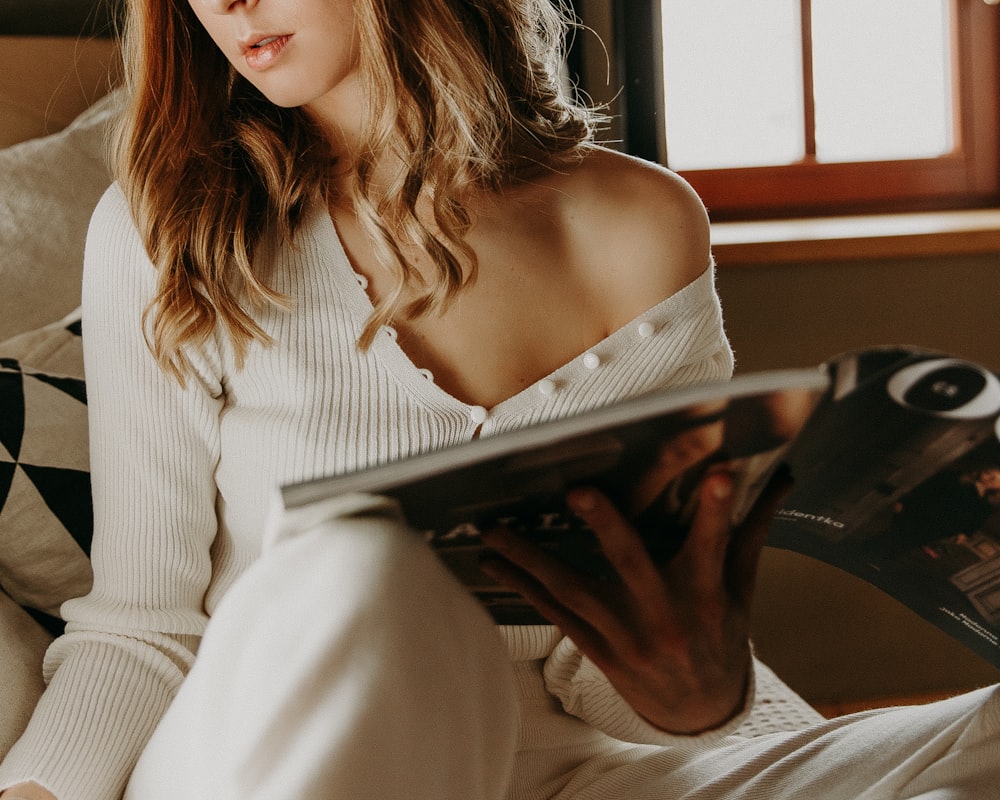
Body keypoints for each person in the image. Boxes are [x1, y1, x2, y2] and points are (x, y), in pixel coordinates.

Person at [1, 0, 998, 798]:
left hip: (566, 765)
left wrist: (701, 698)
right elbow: (140, 626)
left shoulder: (641, 224)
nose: (224, 4)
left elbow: (602, 663)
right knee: (363, 558)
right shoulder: (177, 223)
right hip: (274, 751)